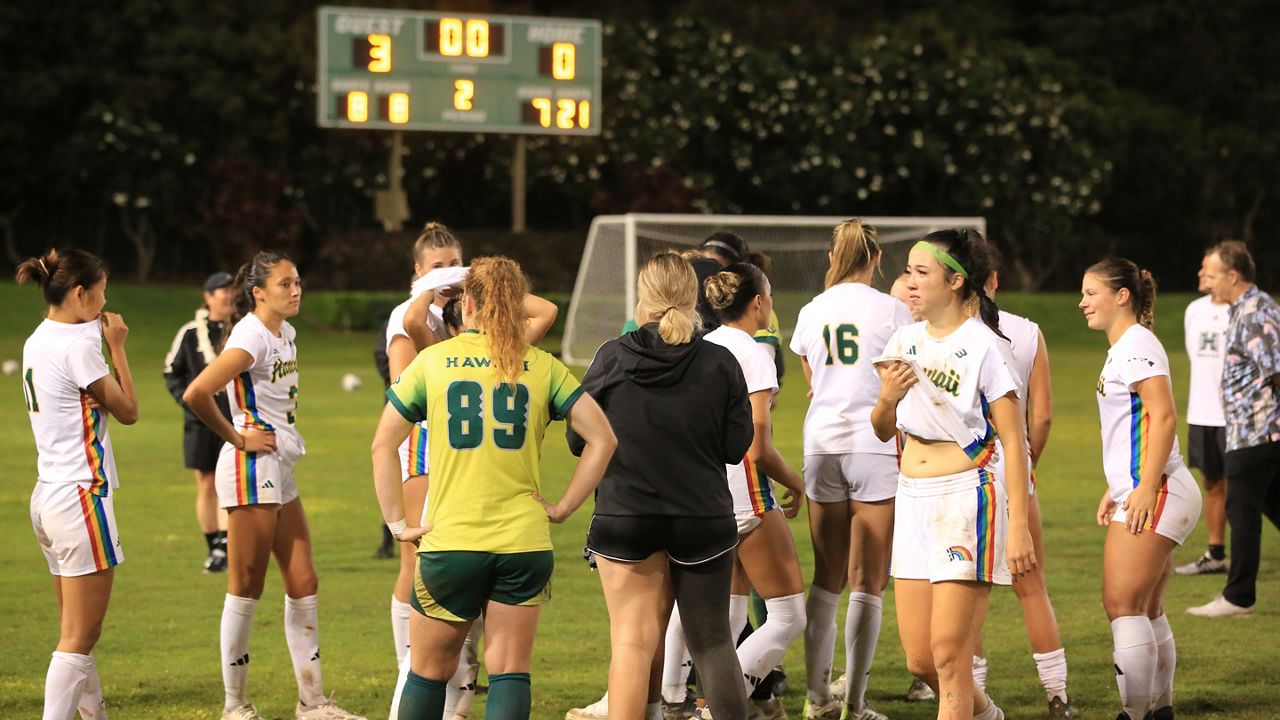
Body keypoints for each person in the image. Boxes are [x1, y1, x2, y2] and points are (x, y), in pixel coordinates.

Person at [371, 256, 616, 720]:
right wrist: (563, 506)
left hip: (451, 540)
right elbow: (604, 438)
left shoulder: (433, 362)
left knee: (427, 670)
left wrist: (397, 523)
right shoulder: (542, 365)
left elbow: (383, 445)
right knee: (510, 672)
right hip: (523, 542)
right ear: (513, 303)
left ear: (466, 303)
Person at [567, 251, 753, 720]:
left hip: (627, 514)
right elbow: (736, 446)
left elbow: (577, 438)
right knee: (712, 643)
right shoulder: (721, 361)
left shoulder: (612, 355)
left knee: (631, 642)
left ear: (642, 299)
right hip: (702, 516)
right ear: (693, 297)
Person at [385, 226, 559, 720]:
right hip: (438, 458)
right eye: (438, 266)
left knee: (450, 588)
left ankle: (453, 689)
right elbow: (544, 311)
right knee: (421, 575)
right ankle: (420, 674)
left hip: (469, 472)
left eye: (457, 266)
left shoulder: (471, 347)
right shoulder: (437, 332)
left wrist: (474, 285)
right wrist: (462, 283)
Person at [184, 251, 366, 720]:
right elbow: (197, 393)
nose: (296, 290)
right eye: (285, 284)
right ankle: (235, 705)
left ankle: (312, 703)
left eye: (298, 281)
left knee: (303, 580)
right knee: (245, 585)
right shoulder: (250, 336)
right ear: (258, 292)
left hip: (278, 465)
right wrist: (238, 437)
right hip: (250, 466)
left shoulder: (285, 332)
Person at [871, 229, 1035, 720]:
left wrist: (1019, 526)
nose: (910, 282)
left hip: (967, 497)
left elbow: (1015, 440)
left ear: (956, 279)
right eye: (908, 272)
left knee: (949, 654)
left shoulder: (986, 346)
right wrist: (886, 398)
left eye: (922, 272)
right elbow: (882, 430)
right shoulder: (904, 340)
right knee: (921, 660)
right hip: (912, 496)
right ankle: (988, 715)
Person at [790, 220, 910, 720]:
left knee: (827, 577)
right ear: (877, 257)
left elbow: (813, 381)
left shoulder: (812, 310)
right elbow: (902, 378)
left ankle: (817, 699)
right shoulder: (893, 309)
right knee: (868, 580)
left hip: (821, 445)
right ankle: (854, 705)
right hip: (874, 446)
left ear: (833, 256)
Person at [1079, 257, 1201, 720]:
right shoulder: (1127, 345)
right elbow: (1137, 423)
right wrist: (1120, 485)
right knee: (1145, 606)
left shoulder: (1134, 344)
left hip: (1160, 488)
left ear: (1121, 296)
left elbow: (1165, 414)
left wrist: (1146, 486)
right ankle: (1159, 709)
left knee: (1122, 602)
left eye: (1092, 293)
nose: (1083, 302)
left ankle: (1134, 716)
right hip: (1151, 485)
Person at [19, 248, 138, 720]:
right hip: (81, 496)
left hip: (47, 494)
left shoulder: (38, 338)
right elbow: (128, 411)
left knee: (76, 630)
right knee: (79, 637)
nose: (106, 301)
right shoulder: (79, 345)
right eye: (102, 291)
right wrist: (120, 347)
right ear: (80, 293)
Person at [695, 262, 807, 720]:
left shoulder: (703, 345)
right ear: (758, 302)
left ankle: (694, 701)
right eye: (771, 297)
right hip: (745, 491)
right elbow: (757, 444)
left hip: (705, 491)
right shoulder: (752, 351)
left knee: (731, 615)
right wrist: (797, 484)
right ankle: (719, 708)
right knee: (787, 616)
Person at [976, 264, 1076, 718]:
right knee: (1032, 588)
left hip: (961, 477)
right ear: (993, 279)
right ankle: (1057, 695)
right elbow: (1044, 416)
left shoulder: (937, 333)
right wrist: (1027, 463)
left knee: (964, 589)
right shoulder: (1028, 332)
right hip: (1016, 473)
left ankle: (972, 696)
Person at [1188, 241, 1280, 618]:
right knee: (1271, 503)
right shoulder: (1243, 308)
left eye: (1212, 273)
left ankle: (1239, 596)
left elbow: (1276, 368)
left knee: (1240, 509)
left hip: (1256, 431)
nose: (1208, 281)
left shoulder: (1257, 311)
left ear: (1233, 275)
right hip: (1251, 430)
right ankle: (1238, 595)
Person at [164, 271, 236, 573]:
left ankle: (226, 544)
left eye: (232, 289)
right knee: (207, 484)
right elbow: (172, 372)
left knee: (230, 483)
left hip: (235, 420)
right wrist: (190, 403)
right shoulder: (191, 332)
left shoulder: (243, 329)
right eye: (222, 290)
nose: (229, 295)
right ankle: (214, 546)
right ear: (208, 297)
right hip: (200, 423)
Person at [1175, 249, 1232, 575]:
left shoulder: (1242, 312)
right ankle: (1216, 554)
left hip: (1236, 417)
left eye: (1207, 270)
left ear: (1229, 273)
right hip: (1201, 413)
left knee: (1249, 489)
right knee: (1212, 483)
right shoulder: (1194, 310)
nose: (1199, 273)